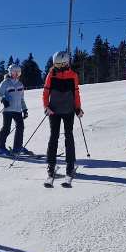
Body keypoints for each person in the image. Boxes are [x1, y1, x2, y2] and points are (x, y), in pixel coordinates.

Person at [42, 51, 83, 185]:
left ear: (67, 62)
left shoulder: (73, 75)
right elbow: (46, 91)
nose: (60, 66)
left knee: (68, 136)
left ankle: (70, 165)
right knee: (53, 136)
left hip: (68, 110)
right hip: (53, 111)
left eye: (62, 64)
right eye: (57, 64)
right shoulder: (51, 74)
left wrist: (77, 108)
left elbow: (76, 92)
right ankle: (51, 165)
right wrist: (46, 107)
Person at [0, 63, 29, 155]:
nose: (16, 74)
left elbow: (21, 99)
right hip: (8, 110)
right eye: (14, 72)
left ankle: (17, 147)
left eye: (18, 72)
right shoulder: (5, 82)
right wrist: (3, 100)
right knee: (6, 128)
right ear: (10, 72)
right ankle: (0, 147)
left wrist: (25, 109)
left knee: (20, 127)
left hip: (18, 110)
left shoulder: (20, 84)